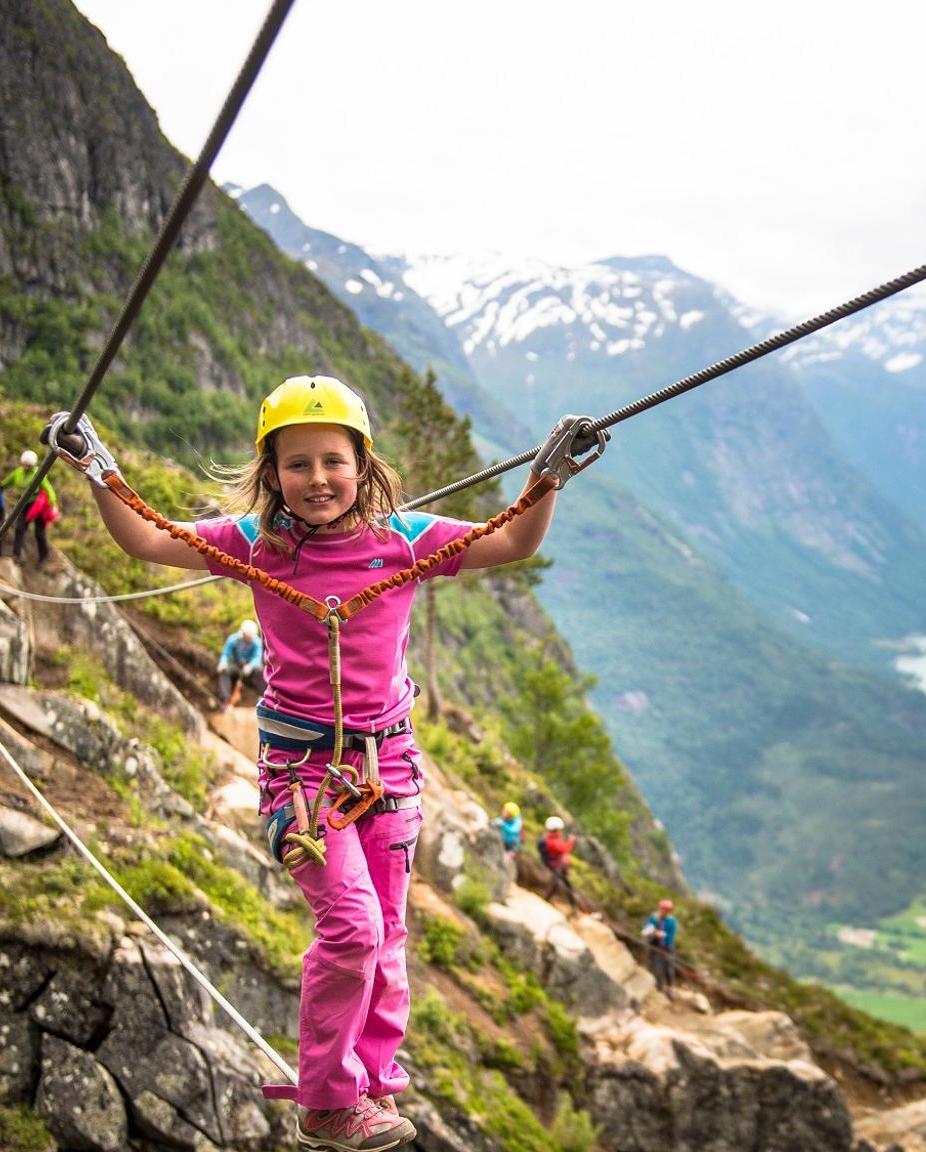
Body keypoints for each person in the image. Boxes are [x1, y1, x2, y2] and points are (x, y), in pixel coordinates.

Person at [50, 374, 600, 1151]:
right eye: (297, 464)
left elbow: (512, 540)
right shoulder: (256, 547)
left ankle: (370, 1085)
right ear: (273, 474)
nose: (317, 480)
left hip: (392, 768)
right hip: (302, 777)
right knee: (351, 927)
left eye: (333, 461)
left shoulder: (405, 541)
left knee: (389, 939)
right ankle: (327, 1102)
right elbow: (147, 538)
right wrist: (97, 469)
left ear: (362, 463)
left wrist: (547, 480)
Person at [4, 449, 59, 564]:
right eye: (24, 465)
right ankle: (16, 554)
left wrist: (53, 505)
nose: (25, 467)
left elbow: (48, 489)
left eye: (28, 465)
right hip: (24, 504)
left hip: (37, 505)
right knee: (20, 528)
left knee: (39, 532)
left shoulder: (38, 474)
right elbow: (7, 482)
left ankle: (44, 556)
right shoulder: (18, 472)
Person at [218, 619, 265, 709]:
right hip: (236, 666)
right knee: (225, 671)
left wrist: (250, 666)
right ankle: (225, 699)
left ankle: (262, 697)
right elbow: (226, 653)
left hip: (250, 668)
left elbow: (257, 658)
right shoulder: (233, 639)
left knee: (261, 671)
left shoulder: (256, 642)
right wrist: (223, 662)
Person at [538, 816, 578, 912]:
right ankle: (548, 899)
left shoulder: (549, 838)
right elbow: (564, 848)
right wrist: (571, 841)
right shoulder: (553, 841)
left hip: (556, 864)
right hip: (555, 865)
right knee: (558, 883)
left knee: (563, 883)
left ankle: (573, 903)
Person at [641, 899, 678, 994]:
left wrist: (663, 937)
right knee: (656, 966)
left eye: (666, 910)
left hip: (667, 947)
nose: (663, 911)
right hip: (655, 946)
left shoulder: (671, 921)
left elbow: (670, 936)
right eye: (662, 909)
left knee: (669, 968)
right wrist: (652, 932)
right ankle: (657, 987)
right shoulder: (654, 917)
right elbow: (646, 926)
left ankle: (670, 988)